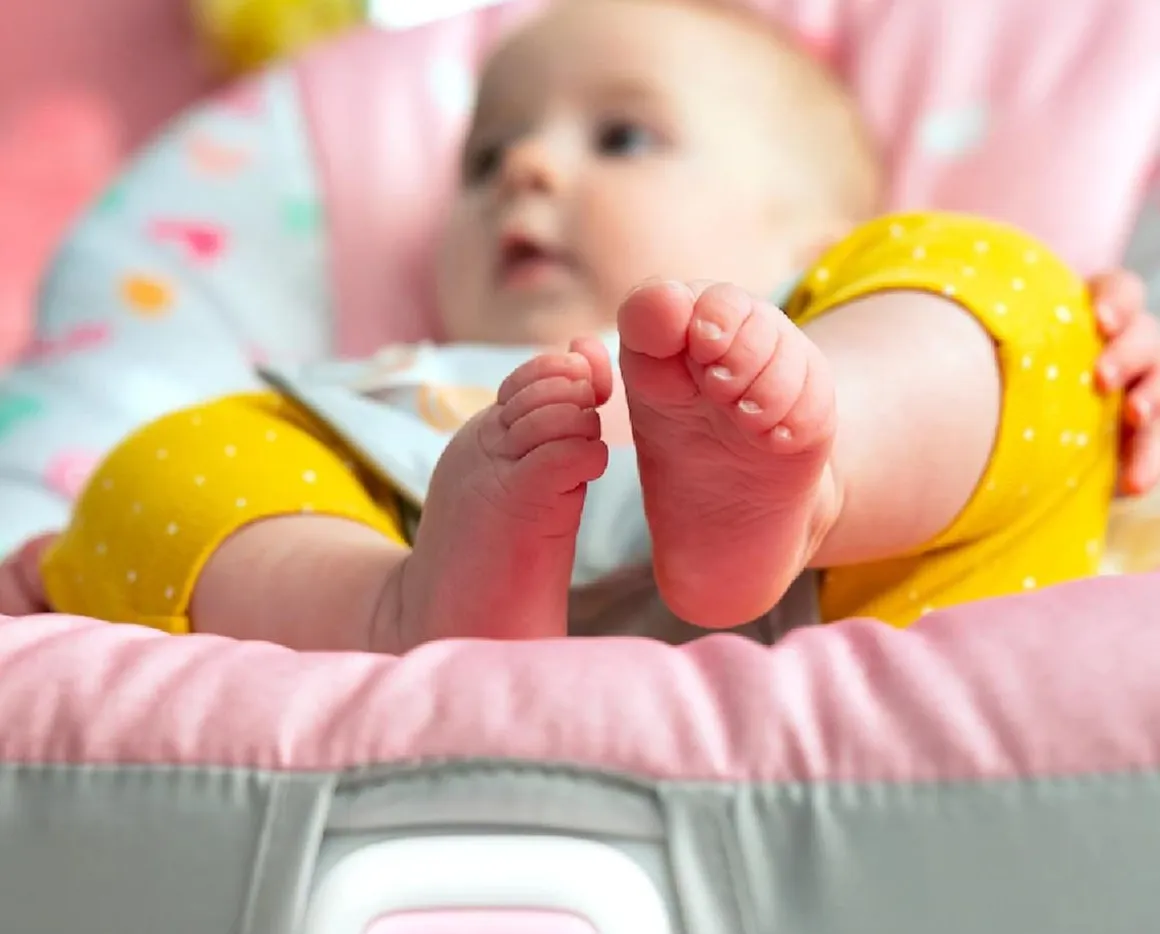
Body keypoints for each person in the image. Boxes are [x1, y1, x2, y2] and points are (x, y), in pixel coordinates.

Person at [13, 0, 1160, 650]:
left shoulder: (860, 294)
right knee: (165, 460)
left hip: (848, 585)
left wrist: (1089, 361)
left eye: (622, 138)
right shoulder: (377, 398)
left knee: (1011, 292)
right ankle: (396, 609)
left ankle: (813, 479)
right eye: (484, 158)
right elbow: (161, 510)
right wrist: (85, 563)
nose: (525, 171)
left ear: (819, 231)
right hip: (427, 550)